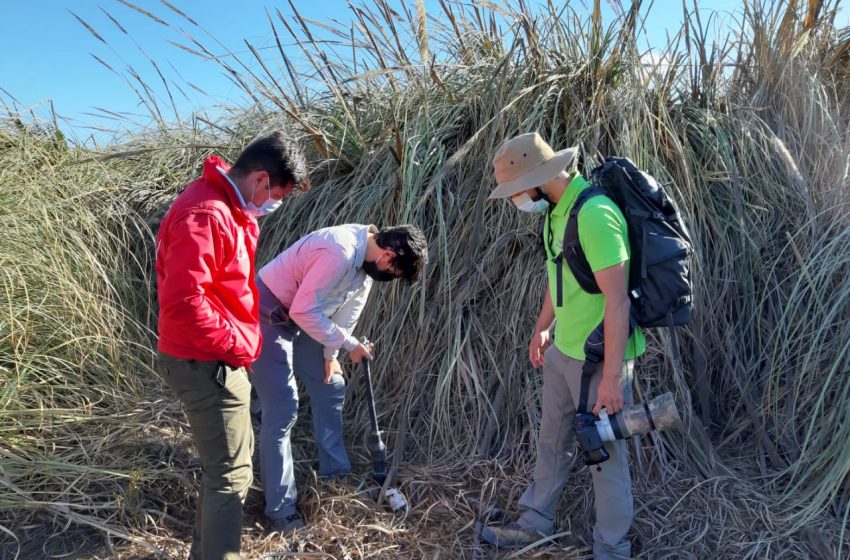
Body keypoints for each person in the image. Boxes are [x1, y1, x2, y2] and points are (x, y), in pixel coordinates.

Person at [482, 132, 646, 559]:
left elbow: (617, 300)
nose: (516, 199)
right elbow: (560, 277)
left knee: (604, 456)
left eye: (516, 190)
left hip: (598, 361)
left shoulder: (595, 214)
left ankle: (612, 549)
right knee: (551, 440)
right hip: (563, 353)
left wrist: (612, 377)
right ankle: (534, 523)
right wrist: (542, 328)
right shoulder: (557, 212)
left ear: (537, 179)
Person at [155, 132, 308, 560]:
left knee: (224, 473)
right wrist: (239, 345)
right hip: (207, 361)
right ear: (260, 180)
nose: (273, 204)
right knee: (230, 477)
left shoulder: (224, 208)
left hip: (210, 357)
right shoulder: (207, 212)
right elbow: (186, 302)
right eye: (276, 195)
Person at [250, 223, 428, 534]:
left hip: (301, 315)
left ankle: (334, 474)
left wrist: (332, 357)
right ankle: (281, 511)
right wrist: (349, 344)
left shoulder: (366, 266)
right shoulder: (340, 251)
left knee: (331, 386)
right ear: (388, 256)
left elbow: (347, 318)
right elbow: (306, 311)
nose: (389, 279)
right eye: (395, 274)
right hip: (268, 310)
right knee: (283, 410)